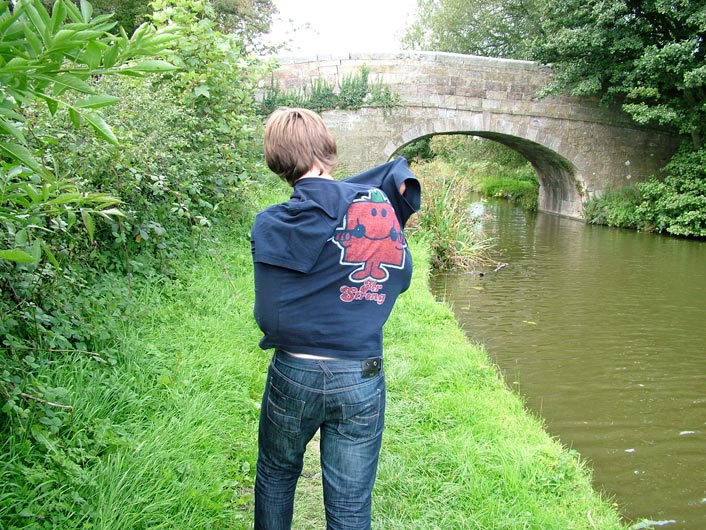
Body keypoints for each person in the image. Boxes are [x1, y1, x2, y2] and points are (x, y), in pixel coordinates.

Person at [250, 107, 421, 530]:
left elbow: (267, 316)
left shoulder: (272, 223)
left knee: (276, 475)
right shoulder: (373, 206)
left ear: (277, 162)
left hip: (294, 372)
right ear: (328, 149)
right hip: (361, 372)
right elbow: (401, 279)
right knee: (349, 504)